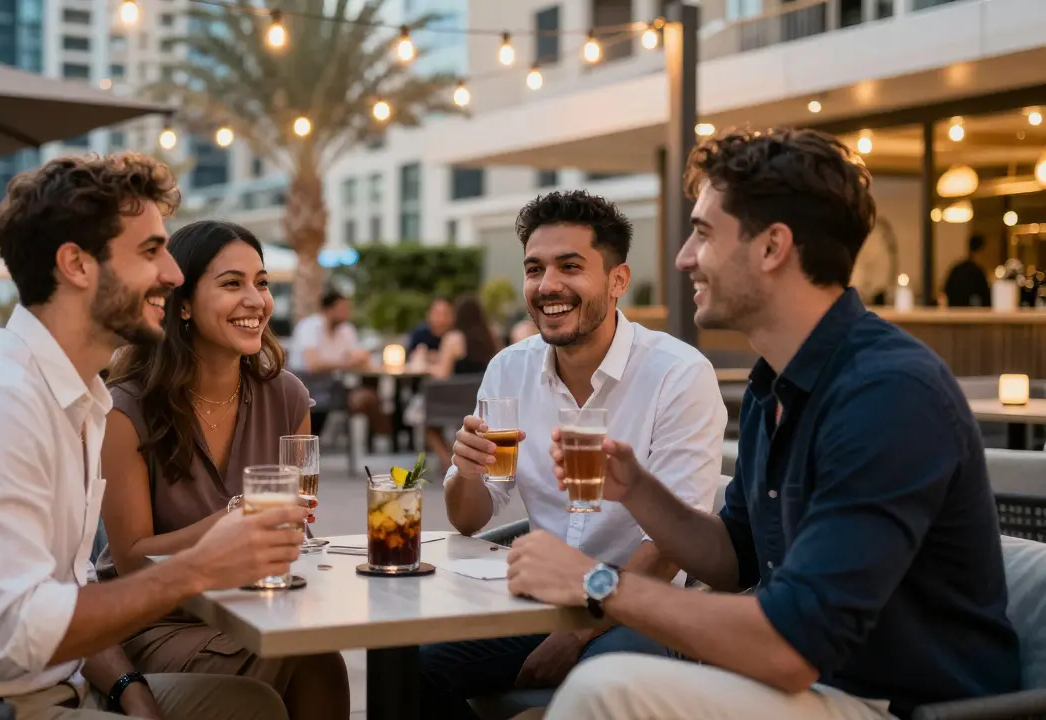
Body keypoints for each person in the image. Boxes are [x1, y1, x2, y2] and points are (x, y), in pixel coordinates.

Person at [511, 128, 1020, 720]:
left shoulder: (887, 393)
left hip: (901, 706)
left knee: (602, 692)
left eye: (703, 234)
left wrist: (596, 585)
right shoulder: (772, 385)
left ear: (772, 247)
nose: (683, 258)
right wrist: (637, 490)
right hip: (810, 690)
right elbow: (733, 560)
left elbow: (788, 646)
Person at [0, 154, 302, 720]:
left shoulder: (78, 400)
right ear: (77, 265)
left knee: (257, 700)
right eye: (151, 252)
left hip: (55, 689)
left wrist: (131, 691)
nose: (173, 276)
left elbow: (73, 588)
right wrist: (199, 567)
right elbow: (16, 639)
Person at [421, 190, 728, 719]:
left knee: (599, 681)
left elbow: (671, 544)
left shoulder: (678, 375)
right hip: (537, 601)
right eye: (534, 269)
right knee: (411, 660)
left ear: (617, 281)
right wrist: (466, 473)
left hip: (641, 610)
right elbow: (470, 517)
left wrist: (581, 632)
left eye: (570, 266)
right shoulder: (508, 371)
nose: (548, 286)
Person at [99, 220, 350, 720]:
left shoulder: (287, 396)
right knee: (288, 652)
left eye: (261, 282)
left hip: (256, 607)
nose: (256, 299)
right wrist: (231, 522)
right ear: (184, 303)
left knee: (322, 657)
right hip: (157, 620)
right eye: (232, 284)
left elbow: (295, 530)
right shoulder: (126, 410)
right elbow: (130, 560)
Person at [287, 288, 392, 439]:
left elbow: (356, 357)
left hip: (334, 386)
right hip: (306, 387)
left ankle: (388, 436)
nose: (347, 312)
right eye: (342, 308)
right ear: (327, 310)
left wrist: (363, 359)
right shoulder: (309, 327)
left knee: (368, 397)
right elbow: (313, 364)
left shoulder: (346, 330)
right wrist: (347, 363)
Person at [421, 294, 501, 464]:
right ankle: (459, 460)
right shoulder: (492, 337)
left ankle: (448, 462)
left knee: (424, 419)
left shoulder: (453, 338)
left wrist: (425, 366)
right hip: (482, 401)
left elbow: (443, 373)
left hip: (454, 403)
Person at [943, 234, 992, 307]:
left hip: (954, 313)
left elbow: (946, 290)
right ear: (980, 251)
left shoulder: (957, 269)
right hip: (972, 314)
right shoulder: (978, 273)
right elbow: (986, 298)